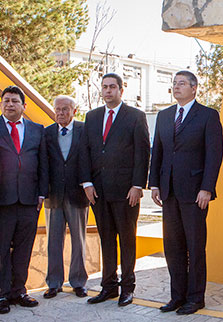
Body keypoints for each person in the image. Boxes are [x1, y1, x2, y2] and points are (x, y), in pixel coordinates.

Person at [149, 70, 223, 315]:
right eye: (174, 83)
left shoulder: (208, 116)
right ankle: (177, 296)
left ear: (194, 88)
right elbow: (157, 152)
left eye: (181, 83)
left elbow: (214, 155)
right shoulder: (164, 116)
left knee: (195, 246)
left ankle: (195, 297)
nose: (176, 87)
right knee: (173, 247)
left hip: (194, 193)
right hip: (168, 192)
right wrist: (155, 183)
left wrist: (207, 188)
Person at [80, 73, 150, 307]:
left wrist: (137, 185)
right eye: (105, 87)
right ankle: (108, 286)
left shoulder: (135, 117)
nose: (108, 91)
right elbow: (85, 151)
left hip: (126, 192)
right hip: (98, 192)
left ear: (121, 90)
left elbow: (143, 154)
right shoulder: (91, 117)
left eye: (112, 87)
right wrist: (87, 183)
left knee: (127, 240)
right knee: (106, 239)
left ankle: (127, 288)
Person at [0, 86, 48, 314]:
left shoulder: (37, 130)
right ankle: (1, 295)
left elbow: (43, 164)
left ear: (24, 106)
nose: (10, 104)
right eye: (6, 100)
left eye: (15, 101)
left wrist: (42, 193)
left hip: (29, 200)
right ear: (1, 104)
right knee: (0, 250)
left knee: (24, 249)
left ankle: (19, 291)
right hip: (0, 201)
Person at [43, 95, 89, 299]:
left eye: (65, 109)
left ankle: (78, 282)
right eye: (57, 109)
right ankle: (54, 283)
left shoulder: (85, 131)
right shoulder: (47, 133)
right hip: (53, 196)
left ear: (74, 111)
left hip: (77, 194)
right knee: (53, 241)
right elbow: (43, 165)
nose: (60, 113)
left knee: (79, 240)